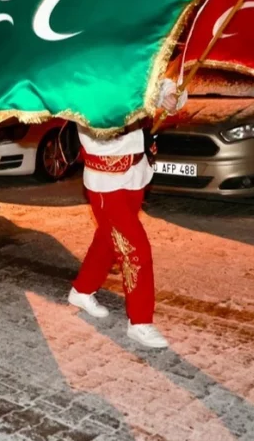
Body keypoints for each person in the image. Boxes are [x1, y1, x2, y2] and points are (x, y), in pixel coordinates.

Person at [67, 78, 186, 349]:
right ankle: (140, 322)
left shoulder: (129, 58)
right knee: (136, 250)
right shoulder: (79, 75)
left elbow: (161, 81)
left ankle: (82, 290)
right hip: (105, 180)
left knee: (109, 240)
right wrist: (147, 101)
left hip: (136, 172)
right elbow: (102, 120)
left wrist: (170, 96)